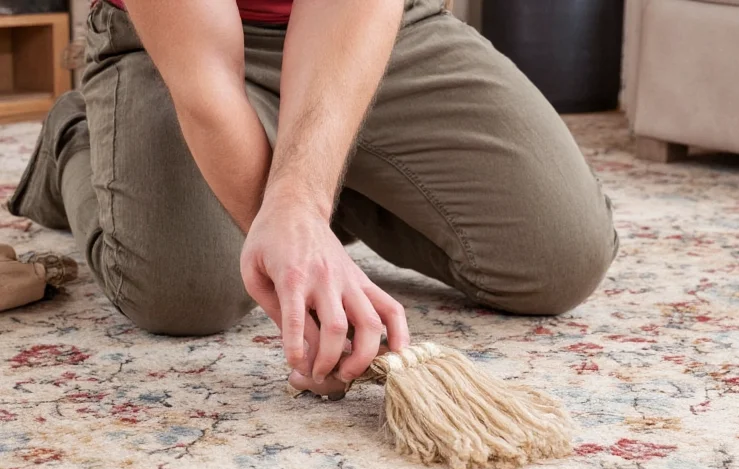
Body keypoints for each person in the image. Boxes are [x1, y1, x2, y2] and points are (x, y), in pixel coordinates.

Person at [8, 0, 618, 398]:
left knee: (559, 257)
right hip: (174, 40)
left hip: (367, 25)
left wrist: (300, 206)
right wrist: (302, 271)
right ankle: (82, 135)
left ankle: (314, 174)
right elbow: (205, 76)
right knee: (187, 293)